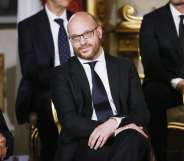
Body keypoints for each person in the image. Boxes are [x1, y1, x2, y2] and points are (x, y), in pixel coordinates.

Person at [51, 12, 150, 161]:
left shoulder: (124, 67)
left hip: (125, 139)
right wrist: (114, 128)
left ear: (99, 32)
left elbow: (141, 113)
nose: (82, 42)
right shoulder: (61, 74)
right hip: (85, 142)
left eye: (87, 34)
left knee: (132, 138)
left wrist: (114, 123)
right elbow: (70, 121)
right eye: (75, 38)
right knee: (131, 139)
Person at [15, 0, 74, 161]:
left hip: (80, 85)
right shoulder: (29, 26)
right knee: (50, 105)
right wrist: (61, 81)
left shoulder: (80, 19)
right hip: (47, 88)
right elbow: (29, 69)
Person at [139, 1, 184, 161]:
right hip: (163, 82)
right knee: (154, 93)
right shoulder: (152, 20)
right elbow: (151, 62)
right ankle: (162, 156)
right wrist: (177, 82)